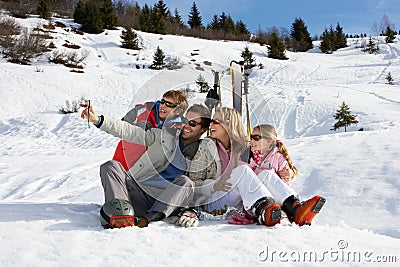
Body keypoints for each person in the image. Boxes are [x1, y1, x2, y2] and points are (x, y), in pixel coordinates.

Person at [175, 107, 325, 227]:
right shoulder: (205, 147)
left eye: (216, 121)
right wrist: (214, 185)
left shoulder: (245, 147)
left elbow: (271, 157)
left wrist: (289, 172)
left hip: (240, 200)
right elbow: (193, 184)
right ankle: (264, 210)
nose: (211, 125)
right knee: (243, 170)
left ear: (229, 124)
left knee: (265, 174)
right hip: (214, 200)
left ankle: (296, 209)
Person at [81, 102, 213, 228]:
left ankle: (148, 218)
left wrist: (193, 210)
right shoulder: (164, 136)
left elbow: (204, 184)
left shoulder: (204, 152)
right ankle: (121, 213)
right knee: (110, 166)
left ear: (203, 129)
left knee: (186, 182)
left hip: (168, 200)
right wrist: (97, 120)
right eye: (185, 121)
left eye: (193, 123)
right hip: (141, 191)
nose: (186, 126)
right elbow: (131, 132)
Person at [113, 90, 188, 171]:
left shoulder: (179, 126)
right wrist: (137, 128)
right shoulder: (142, 111)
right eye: (163, 101)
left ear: (178, 111)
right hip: (124, 162)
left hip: (149, 171)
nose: (163, 106)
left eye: (169, 104)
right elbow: (121, 127)